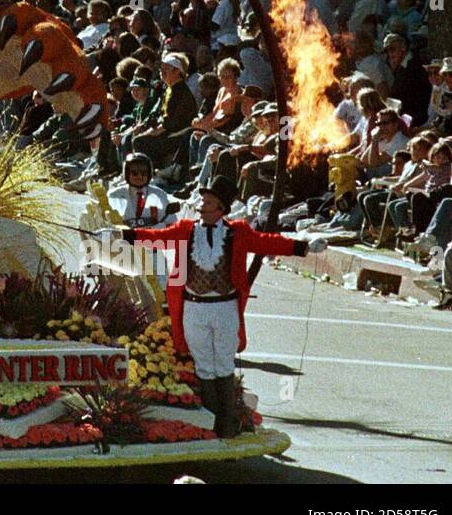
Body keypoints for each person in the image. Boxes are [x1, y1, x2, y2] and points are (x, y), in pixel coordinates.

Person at [117, 175, 325, 436]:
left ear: (221, 208)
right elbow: (156, 237)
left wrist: (302, 247)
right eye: (202, 200)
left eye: (208, 202)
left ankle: (228, 421)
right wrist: (124, 235)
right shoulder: (185, 229)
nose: (201, 205)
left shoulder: (238, 232)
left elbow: (266, 242)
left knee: (223, 363)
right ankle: (210, 421)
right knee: (203, 363)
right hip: (194, 307)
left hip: (225, 307)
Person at [105, 153, 175, 228]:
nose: (139, 176)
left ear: (149, 174)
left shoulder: (160, 195)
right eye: (134, 173)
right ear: (127, 174)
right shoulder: (114, 196)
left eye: (143, 173)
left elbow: (171, 223)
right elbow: (108, 224)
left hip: (153, 238)